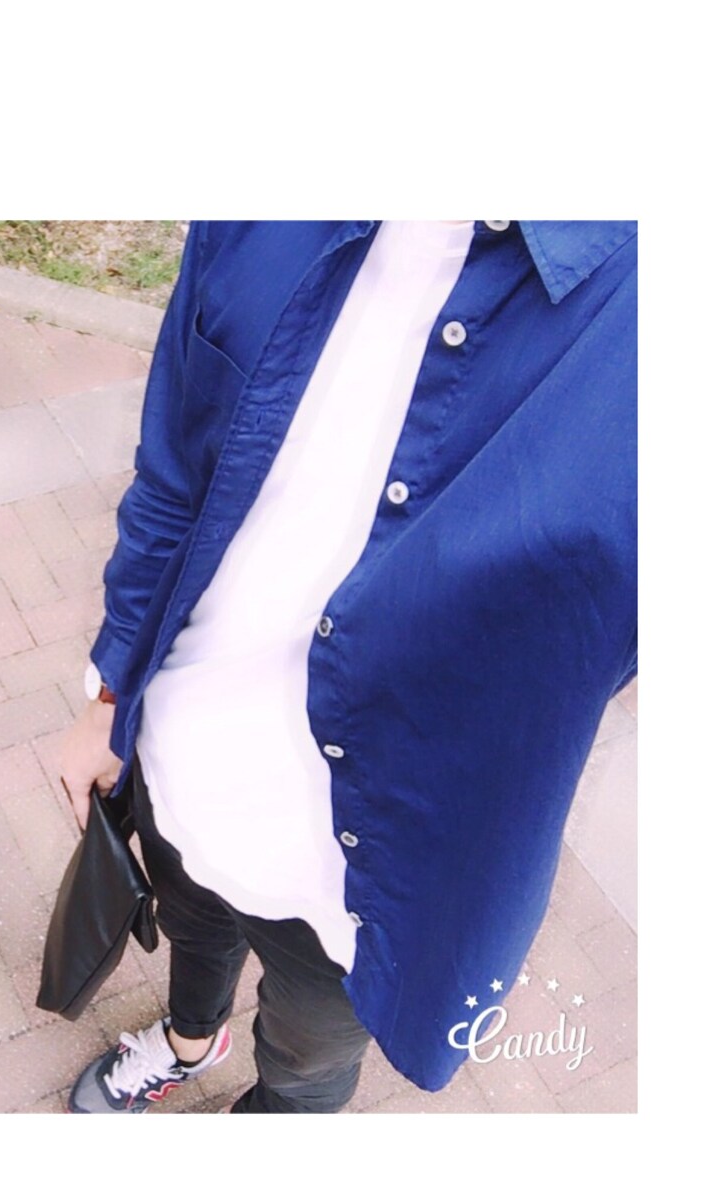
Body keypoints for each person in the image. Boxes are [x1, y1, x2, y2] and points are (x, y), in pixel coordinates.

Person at [57, 220, 637, 1114]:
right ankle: (189, 1041)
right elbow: (173, 472)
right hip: (178, 758)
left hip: (359, 886)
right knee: (192, 933)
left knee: (304, 1065)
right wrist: (108, 694)